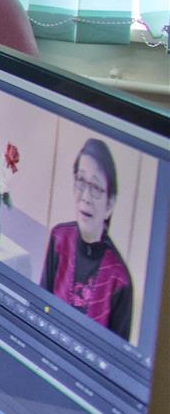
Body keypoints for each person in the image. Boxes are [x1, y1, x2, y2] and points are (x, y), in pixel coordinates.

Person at [42, 138, 135, 341]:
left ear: (110, 204)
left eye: (96, 187)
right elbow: (40, 309)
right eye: (81, 181)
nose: (85, 196)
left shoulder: (119, 278)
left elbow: (116, 361)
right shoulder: (59, 238)